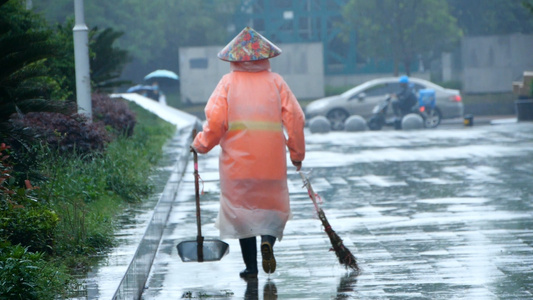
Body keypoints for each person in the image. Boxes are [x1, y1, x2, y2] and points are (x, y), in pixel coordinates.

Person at [191, 27, 306, 279]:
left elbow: (214, 123)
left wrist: (200, 144)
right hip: (271, 165)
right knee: (272, 211)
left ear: (234, 58)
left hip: (237, 167)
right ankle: (268, 240)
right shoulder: (276, 82)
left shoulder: (227, 84)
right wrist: (297, 154)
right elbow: (295, 118)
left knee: (242, 215)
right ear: (264, 57)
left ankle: (251, 268)